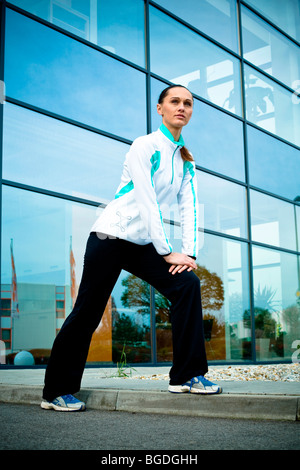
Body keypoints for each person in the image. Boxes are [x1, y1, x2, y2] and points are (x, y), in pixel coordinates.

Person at [41, 84, 222, 412]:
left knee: (186, 284)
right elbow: (147, 200)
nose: (182, 107)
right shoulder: (145, 146)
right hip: (110, 237)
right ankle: (55, 391)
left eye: (188, 103)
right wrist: (168, 251)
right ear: (160, 109)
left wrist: (190, 253)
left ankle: (186, 375)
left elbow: (190, 206)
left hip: (141, 243)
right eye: (175, 101)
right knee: (88, 312)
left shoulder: (185, 159)